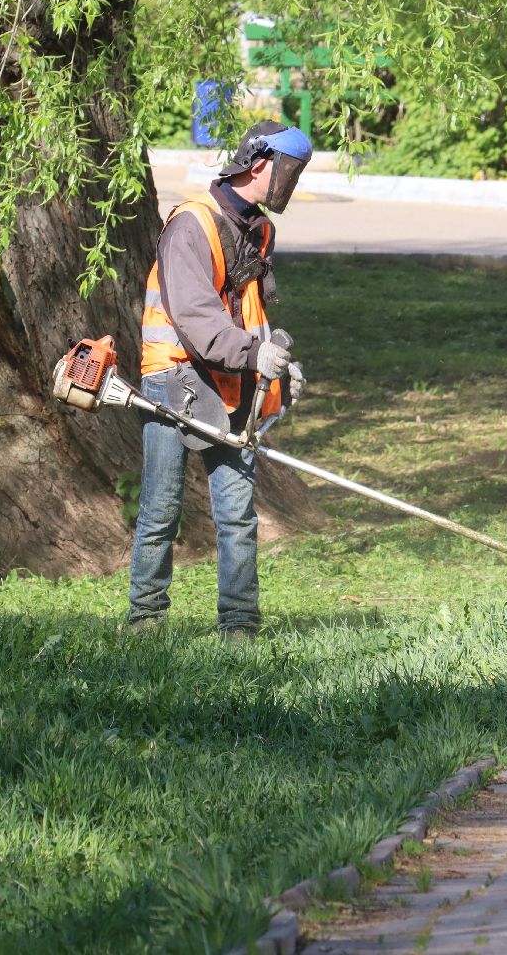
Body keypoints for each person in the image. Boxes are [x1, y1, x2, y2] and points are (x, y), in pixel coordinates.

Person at [127, 119, 313, 640]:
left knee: (237, 512)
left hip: (231, 379)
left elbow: (250, 316)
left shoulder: (259, 230)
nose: (292, 183)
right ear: (259, 165)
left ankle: (239, 626)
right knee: (161, 508)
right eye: (290, 170)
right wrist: (255, 355)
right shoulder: (193, 225)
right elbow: (197, 318)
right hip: (174, 377)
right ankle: (145, 620)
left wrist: (278, 370)